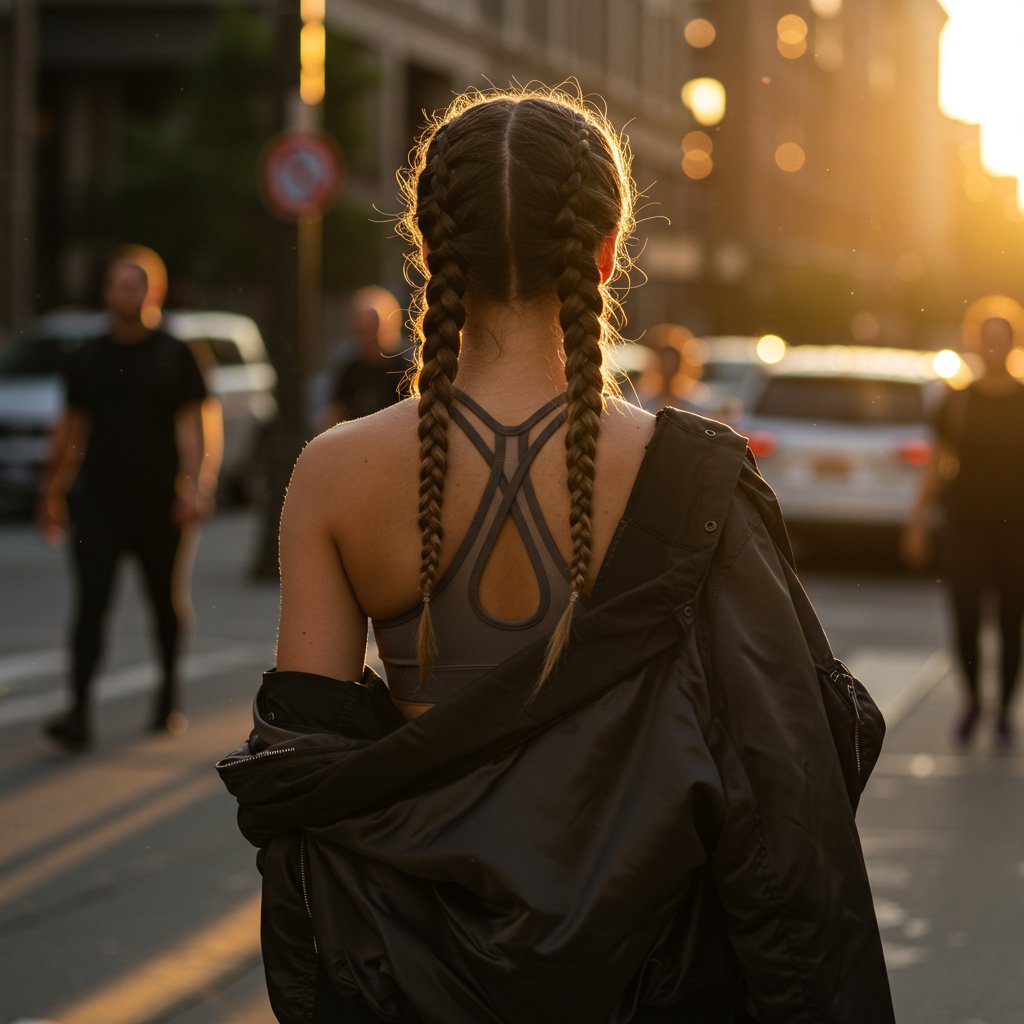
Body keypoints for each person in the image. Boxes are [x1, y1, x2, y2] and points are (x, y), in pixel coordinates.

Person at [218, 88, 894, 1022]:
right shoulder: (689, 476)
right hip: (653, 963)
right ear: (607, 252)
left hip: (414, 967)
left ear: (427, 252)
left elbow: (303, 780)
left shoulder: (333, 474)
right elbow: (780, 776)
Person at [37, 254, 222, 750]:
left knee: (164, 604)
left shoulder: (176, 354)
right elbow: (70, 431)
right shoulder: (87, 356)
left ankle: (167, 696)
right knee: (90, 605)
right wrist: (51, 492)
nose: (123, 295)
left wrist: (196, 487)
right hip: (97, 503)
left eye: (132, 286)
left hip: (162, 504)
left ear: (153, 292)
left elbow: (197, 426)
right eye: (115, 286)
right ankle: (77, 712)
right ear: (106, 293)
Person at [904, 315, 1024, 744]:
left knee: (1012, 620)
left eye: (1001, 340)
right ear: (975, 344)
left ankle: (1006, 709)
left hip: (1017, 528)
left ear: (1014, 343)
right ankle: (973, 701)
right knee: (966, 616)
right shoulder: (957, 400)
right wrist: (917, 522)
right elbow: (936, 464)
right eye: (986, 340)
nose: (993, 348)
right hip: (965, 524)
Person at [318, 285, 406, 430]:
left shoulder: (403, 368)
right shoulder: (351, 370)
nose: (366, 339)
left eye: (370, 331)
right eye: (360, 331)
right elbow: (334, 413)